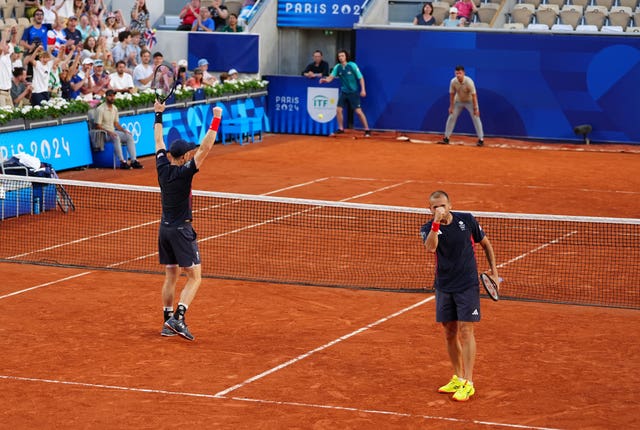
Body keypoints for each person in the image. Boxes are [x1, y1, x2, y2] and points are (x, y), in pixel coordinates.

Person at [153, 100, 223, 341]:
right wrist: (216, 118)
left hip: (164, 230)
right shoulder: (184, 173)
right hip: (181, 231)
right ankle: (178, 319)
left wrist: (158, 114)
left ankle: (166, 322)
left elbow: (158, 141)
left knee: (171, 276)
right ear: (182, 158)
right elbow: (205, 149)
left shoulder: (162, 165)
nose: (191, 154)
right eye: (188, 153)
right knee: (195, 277)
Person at [420, 190, 499, 402]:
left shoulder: (467, 219)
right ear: (430, 209)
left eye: (442, 205)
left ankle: (469, 382)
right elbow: (430, 248)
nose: (440, 209)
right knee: (449, 332)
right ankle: (457, 377)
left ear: (450, 205)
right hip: (444, 286)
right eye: (435, 207)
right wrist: (436, 224)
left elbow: (486, 243)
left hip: (467, 285)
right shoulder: (428, 228)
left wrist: (494, 271)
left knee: (466, 330)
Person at [319, 49, 371, 137]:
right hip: (344, 92)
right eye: (339, 56)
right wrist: (325, 80)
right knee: (338, 110)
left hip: (353, 92)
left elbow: (361, 78)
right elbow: (330, 77)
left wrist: (363, 90)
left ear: (346, 56)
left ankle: (367, 130)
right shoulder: (337, 67)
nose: (341, 58)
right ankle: (341, 128)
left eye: (342, 56)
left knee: (358, 112)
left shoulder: (352, 65)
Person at [95, 89, 143, 169]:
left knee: (129, 136)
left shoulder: (115, 108)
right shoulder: (100, 109)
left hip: (113, 132)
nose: (112, 97)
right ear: (106, 97)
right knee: (116, 137)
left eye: (113, 96)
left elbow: (116, 124)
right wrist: (109, 132)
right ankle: (122, 162)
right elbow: (97, 125)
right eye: (110, 96)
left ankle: (133, 160)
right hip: (103, 134)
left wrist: (124, 131)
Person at [440, 65, 485, 146]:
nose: (458, 75)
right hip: (458, 101)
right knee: (451, 117)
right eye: (456, 73)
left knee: (476, 117)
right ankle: (446, 138)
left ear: (463, 73)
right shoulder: (453, 81)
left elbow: (474, 95)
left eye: (460, 73)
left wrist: (476, 108)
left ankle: (481, 139)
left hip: (470, 101)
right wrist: (451, 106)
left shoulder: (469, 82)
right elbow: (452, 94)